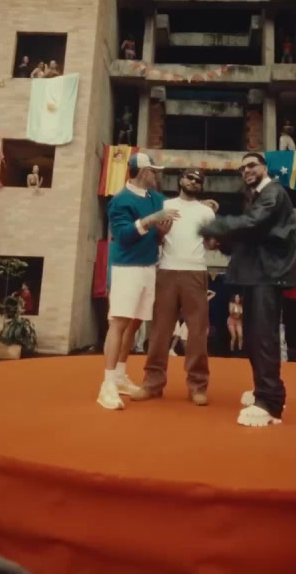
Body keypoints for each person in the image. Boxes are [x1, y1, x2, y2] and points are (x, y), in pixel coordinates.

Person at [200, 152, 296, 427]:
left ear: (265, 167)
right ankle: (263, 391)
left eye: (252, 165)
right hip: (258, 274)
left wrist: (214, 225)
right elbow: (251, 237)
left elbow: (252, 224)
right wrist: (222, 242)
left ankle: (270, 404)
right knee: (255, 338)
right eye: (243, 168)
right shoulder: (257, 197)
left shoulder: (272, 193)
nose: (247, 171)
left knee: (264, 338)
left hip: (268, 275)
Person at [97, 153, 179, 410]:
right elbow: (122, 236)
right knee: (119, 323)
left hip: (148, 267)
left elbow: (172, 212)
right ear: (143, 172)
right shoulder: (120, 200)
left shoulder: (155, 198)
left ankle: (120, 376)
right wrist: (150, 220)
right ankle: (107, 385)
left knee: (134, 324)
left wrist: (204, 205)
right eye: (153, 171)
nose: (157, 175)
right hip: (126, 268)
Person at [134, 168, 216, 406]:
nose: (194, 181)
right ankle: (152, 383)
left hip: (196, 271)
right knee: (160, 331)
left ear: (201, 186)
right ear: (181, 180)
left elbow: (211, 244)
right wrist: (160, 233)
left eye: (198, 180)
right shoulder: (165, 205)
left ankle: (198, 386)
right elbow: (153, 238)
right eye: (190, 177)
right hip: (167, 270)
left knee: (197, 333)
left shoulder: (206, 211)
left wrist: (218, 237)